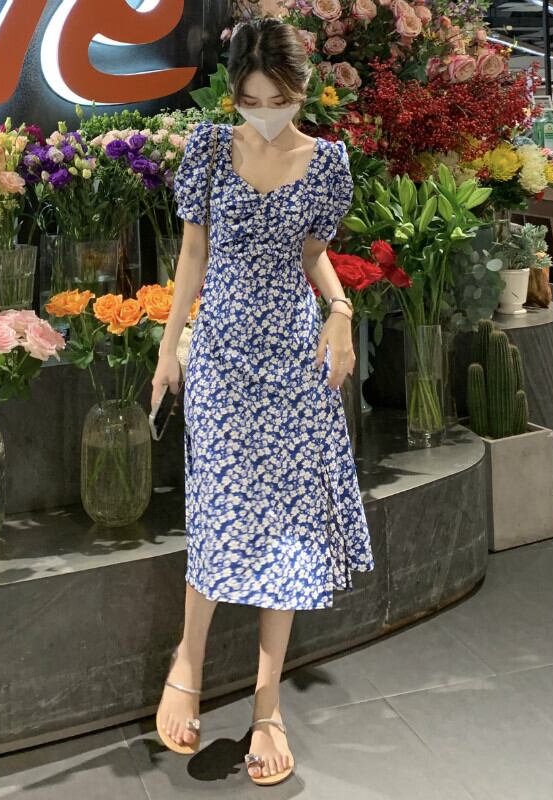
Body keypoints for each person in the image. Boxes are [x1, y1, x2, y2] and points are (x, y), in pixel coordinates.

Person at [150, 16, 374, 787]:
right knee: (219, 505)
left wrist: (340, 311)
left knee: (288, 519)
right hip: (220, 355)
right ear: (233, 94)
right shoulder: (210, 150)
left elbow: (314, 252)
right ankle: (187, 658)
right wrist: (168, 346)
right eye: (250, 100)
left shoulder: (327, 162)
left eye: (278, 99)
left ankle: (267, 700)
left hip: (292, 356)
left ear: (302, 91)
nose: (264, 112)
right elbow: (192, 252)